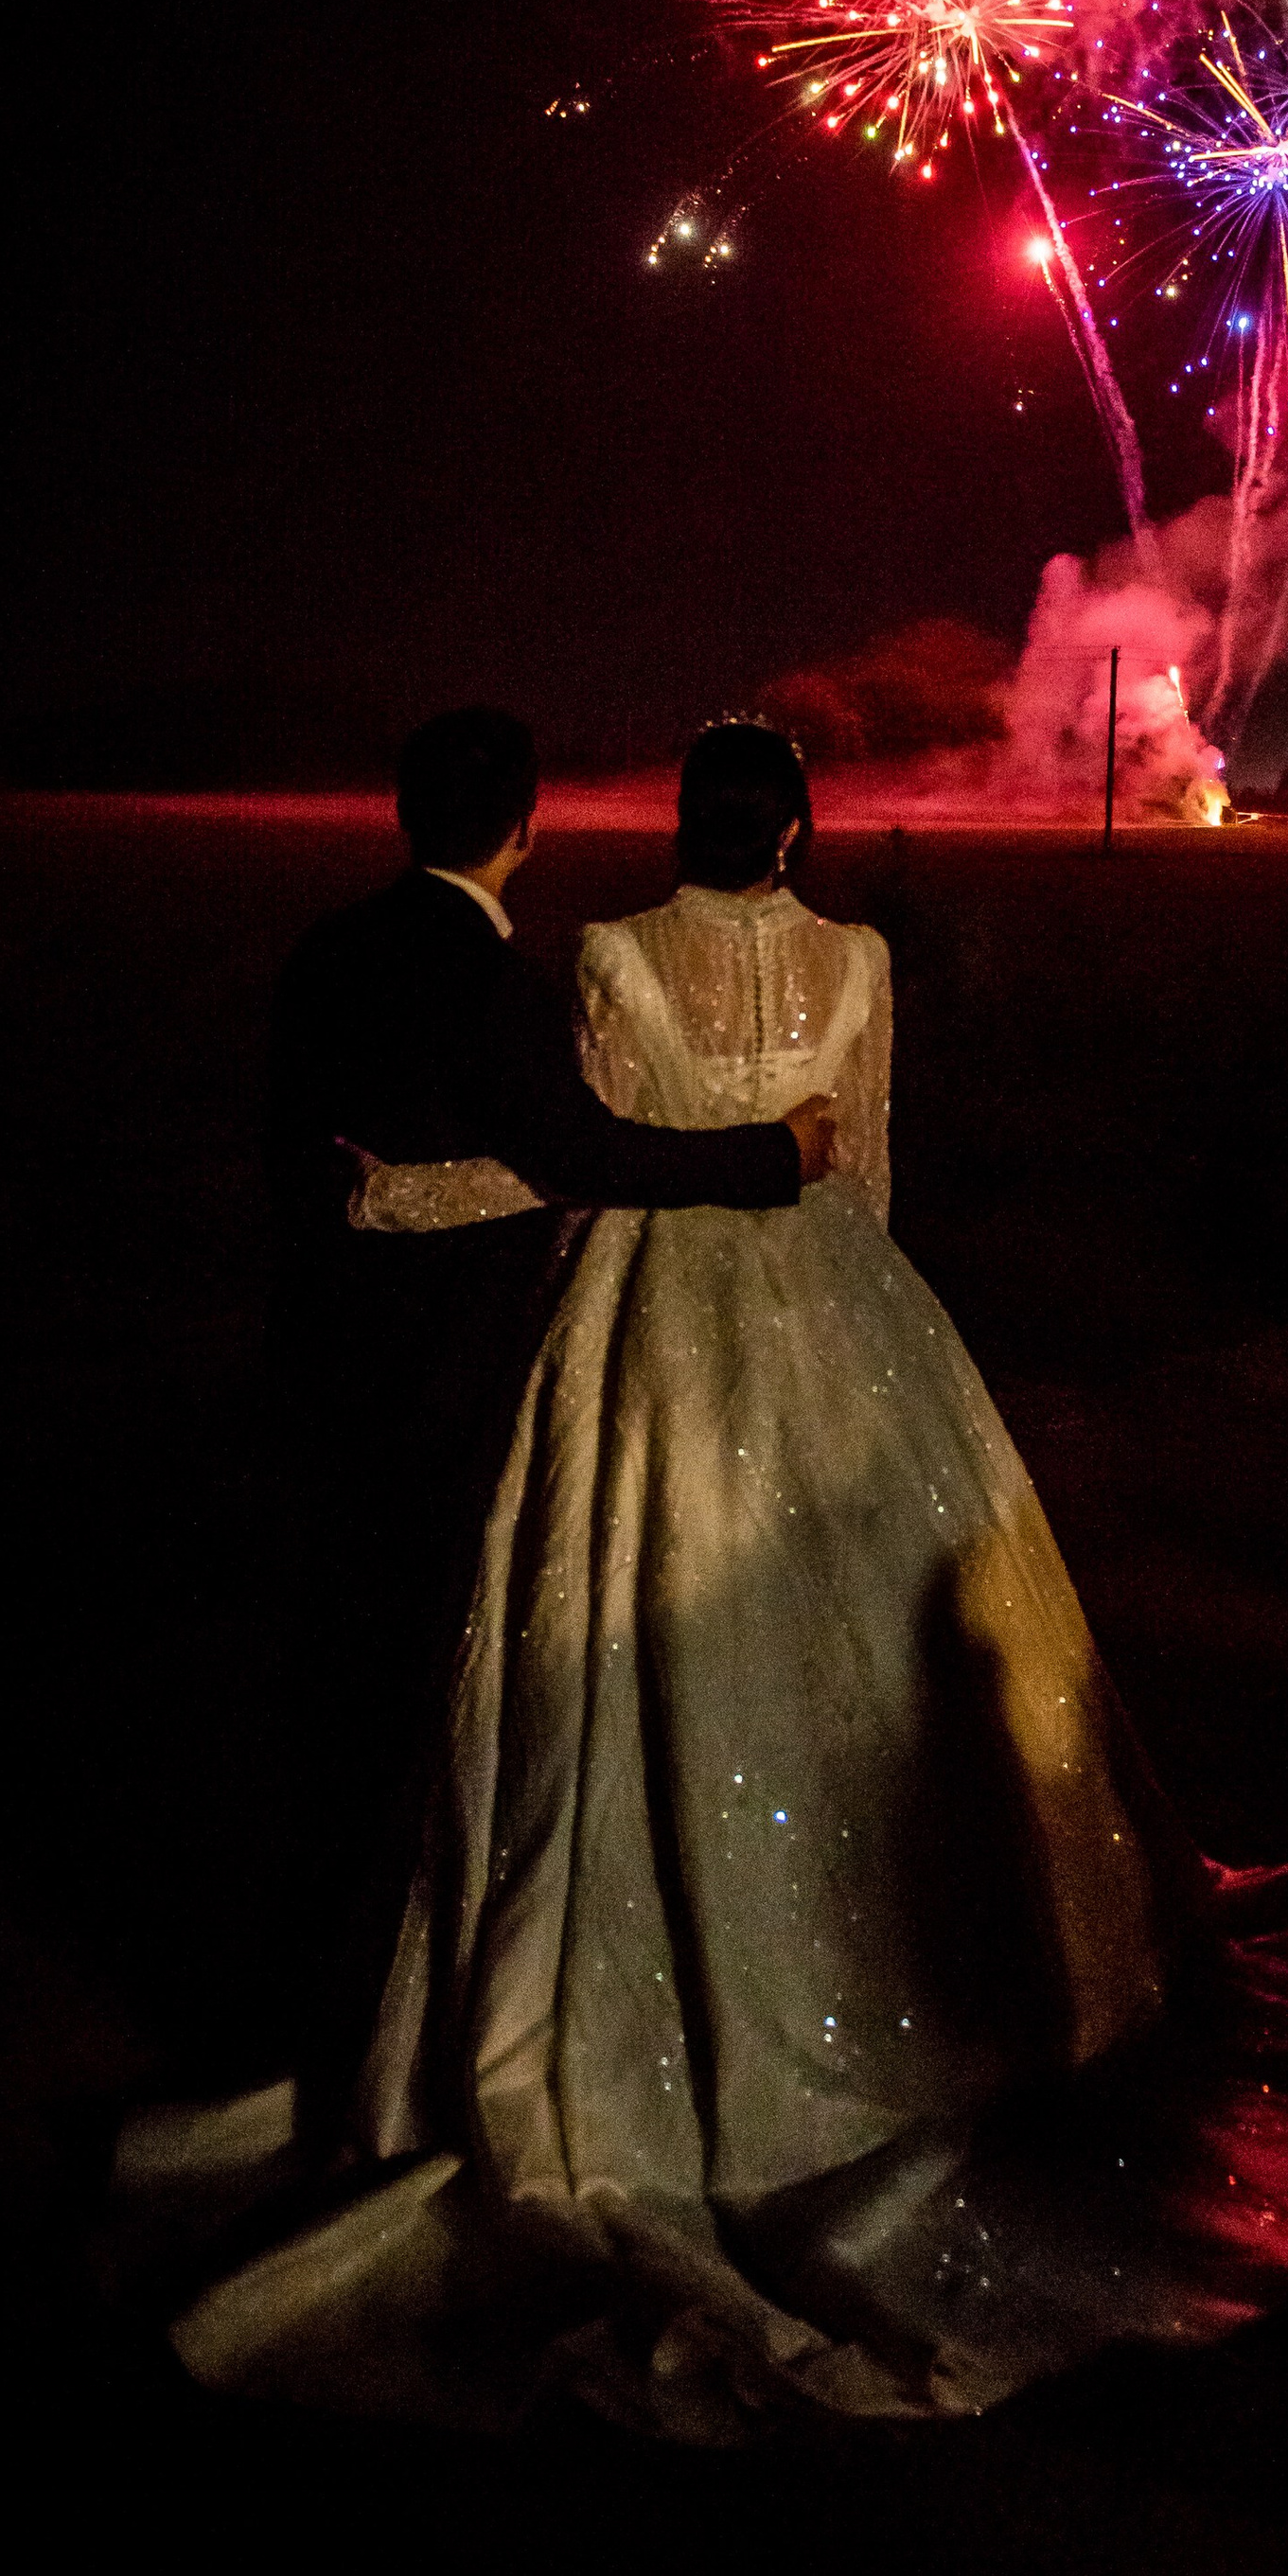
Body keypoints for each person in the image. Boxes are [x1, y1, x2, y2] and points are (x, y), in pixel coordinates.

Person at [169, 722, 1288, 2434]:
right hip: (840, 1307)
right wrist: (866, 1338)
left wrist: (404, 1210)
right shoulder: (864, 955)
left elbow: (586, 1169)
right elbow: (870, 1172)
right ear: (805, 830)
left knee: (608, 1623)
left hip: (652, 1323)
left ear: (682, 822)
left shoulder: (604, 953)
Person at [263, 706, 836, 2104]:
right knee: (431, 1640)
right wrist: (774, 1155)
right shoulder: (505, 986)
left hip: (330, 1340)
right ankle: (384, 1942)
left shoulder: (323, 952)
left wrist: (369, 1200)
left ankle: (334, 1935)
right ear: (528, 822)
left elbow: (300, 1139)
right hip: (456, 1342)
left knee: (347, 1639)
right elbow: (582, 1153)